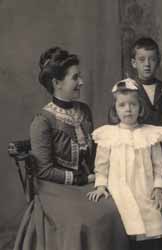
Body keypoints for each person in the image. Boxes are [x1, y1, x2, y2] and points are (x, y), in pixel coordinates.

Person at [14, 47, 129, 250]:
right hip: (54, 189)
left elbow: (94, 154)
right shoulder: (42, 121)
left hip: (86, 183)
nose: (81, 82)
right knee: (87, 220)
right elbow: (44, 170)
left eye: (80, 76)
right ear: (57, 83)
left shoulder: (83, 110)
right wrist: (82, 179)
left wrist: (101, 176)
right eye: (75, 78)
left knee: (114, 209)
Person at [87, 78, 162, 250]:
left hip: (144, 190)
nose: (128, 109)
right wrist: (101, 186)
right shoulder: (109, 135)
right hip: (119, 192)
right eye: (122, 105)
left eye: (133, 104)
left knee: (148, 229)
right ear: (115, 109)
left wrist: (158, 188)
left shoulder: (150, 134)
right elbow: (101, 166)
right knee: (125, 231)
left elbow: (158, 167)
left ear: (140, 108)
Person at [109, 37, 162, 164]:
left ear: (158, 62)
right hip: (138, 156)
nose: (147, 64)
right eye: (142, 60)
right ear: (134, 63)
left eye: (152, 59)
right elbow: (116, 122)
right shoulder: (127, 90)